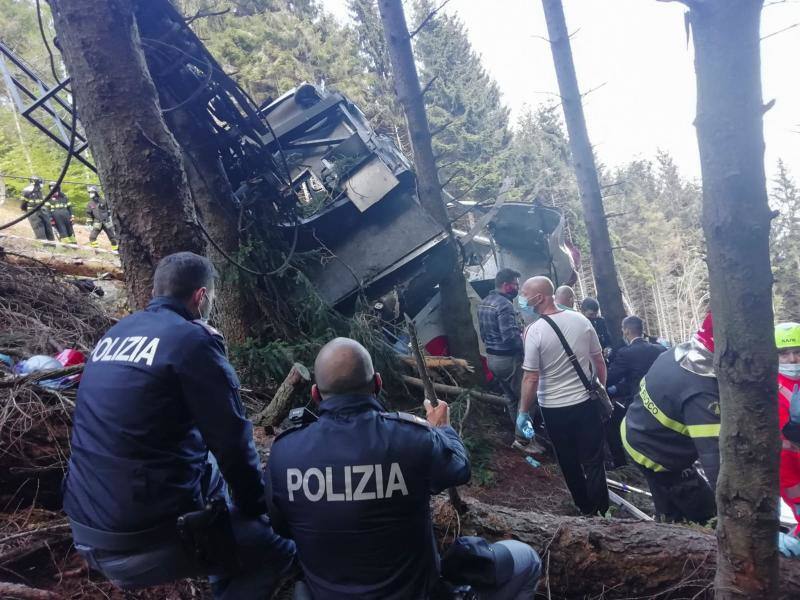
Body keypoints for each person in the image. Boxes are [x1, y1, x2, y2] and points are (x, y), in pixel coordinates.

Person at [62, 252, 295, 598]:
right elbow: (233, 442)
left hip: (85, 525)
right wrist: (260, 511)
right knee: (276, 549)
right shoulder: (192, 342)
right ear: (201, 297)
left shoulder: (116, 333)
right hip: (139, 540)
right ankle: (227, 563)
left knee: (212, 469)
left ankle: (222, 554)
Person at [266, 337, 542, 599]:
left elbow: (281, 527)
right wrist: (442, 428)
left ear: (315, 393)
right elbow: (459, 468)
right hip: (417, 593)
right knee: (527, 560)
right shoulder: (411, 439)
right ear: (377, 383)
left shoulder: (284, 453)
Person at [517, 276, 609, 515]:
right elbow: (599, 360)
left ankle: (585, 509)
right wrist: (600, 388)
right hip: (586, 402)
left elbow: (531, 378)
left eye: (525, 293)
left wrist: (523, 412)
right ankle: (602, 510)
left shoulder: (533, 332)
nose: (521, 298)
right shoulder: (580, 320)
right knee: (593, 460)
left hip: (554, 408)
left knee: (569, 462)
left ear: (540, 297)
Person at [621, 313, 719, 523]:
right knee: (705, 512)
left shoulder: (675, 353)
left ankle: (667, 520)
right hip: (659, 454)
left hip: (636, 431)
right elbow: (715, 461)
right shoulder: (702, 395)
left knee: (667, 504)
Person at [478, 268, 543, 452]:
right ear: (506, 286)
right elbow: (510, 338)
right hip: (509, 361)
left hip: (492, 359)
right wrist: (527, 346)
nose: (518, 288)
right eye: (515, 285)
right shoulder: (505, 305)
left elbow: (483, 334)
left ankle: (520, 435)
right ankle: (524, 441)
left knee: (512, 399)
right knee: (528, 400)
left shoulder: (484, 303)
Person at [604, 316, 667, 469]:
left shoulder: (626, 353)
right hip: (663, 401)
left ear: (626, 330)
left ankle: (620, 463)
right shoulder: (660, 349)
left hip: (639, 402)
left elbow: (610, 378)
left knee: (611, 425)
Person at [775, 323, 800, 558]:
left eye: (798, 351)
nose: (792, 359)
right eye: (784, 352)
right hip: (787, 471)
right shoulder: (766, 386)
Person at [20, 176, 54, 241]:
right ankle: (47, 244)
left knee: (45, 226)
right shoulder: (29, 190)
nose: (42, 184)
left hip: (38, 211)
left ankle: (49, 243)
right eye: (40, 182)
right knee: (41, 227)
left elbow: (23, 204)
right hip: (35, 211)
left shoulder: (37, 190)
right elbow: (24, 203)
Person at [85, 185, 118, 251]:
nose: (90, 194)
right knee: (92, 237)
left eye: (92, 192)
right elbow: (89, 214)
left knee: (113, 238)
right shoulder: (90, 204)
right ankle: (96, 251)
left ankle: (116, 251)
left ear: (96, 193)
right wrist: (89, 223)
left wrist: (112, 218)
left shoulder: (104, 201)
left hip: (107, 222)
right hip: (97, 223)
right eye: (89, 193)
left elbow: (110, 210)